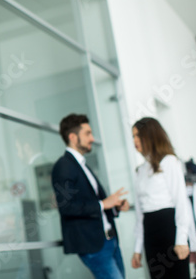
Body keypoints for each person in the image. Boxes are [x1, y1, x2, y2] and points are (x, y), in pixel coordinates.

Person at [52, 113, 129, 279]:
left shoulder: (81, 165)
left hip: (110, 241)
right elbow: (67, 208)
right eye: (87, 133)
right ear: (73, 137)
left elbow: (92, 203)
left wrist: (115, 207)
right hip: (94, 245)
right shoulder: (64, 166)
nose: (92, 138)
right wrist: (103, 204)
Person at [131, 117, 190, 278]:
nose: (134, 140)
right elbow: (139, 214)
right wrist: (137, 249)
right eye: (133, 136)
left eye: (138, 135)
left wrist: (182, 239)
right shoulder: (141, 170)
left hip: (169, 230)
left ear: (150, 135)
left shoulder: (169, 162)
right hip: (150, 233)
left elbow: (181, 202)